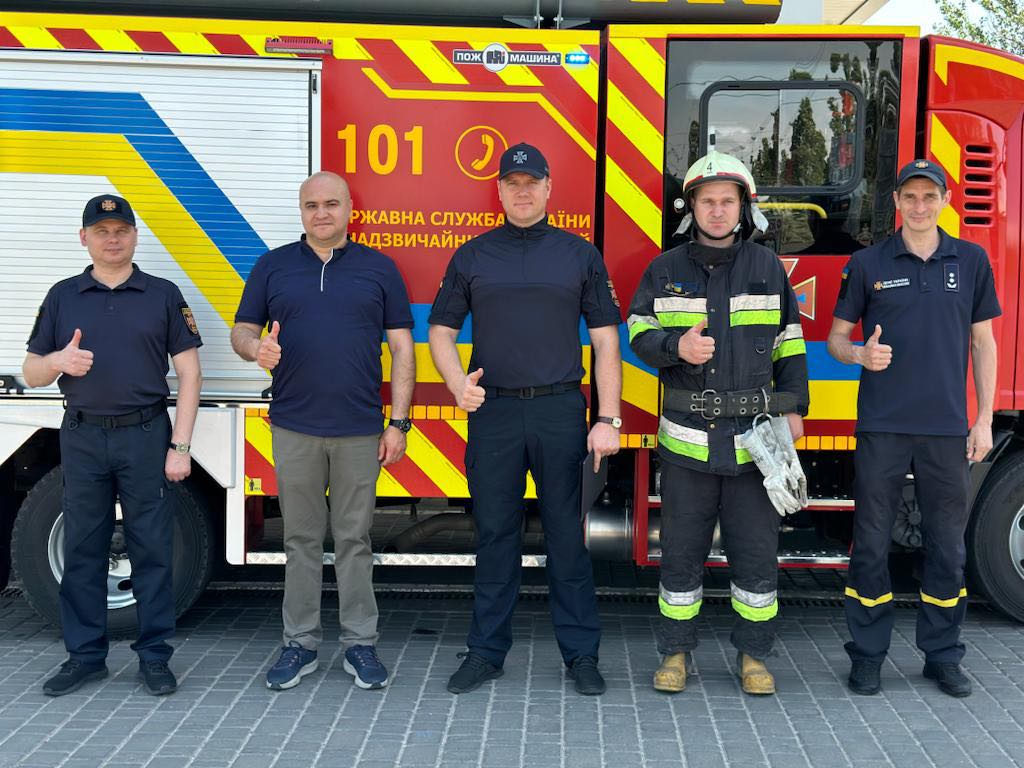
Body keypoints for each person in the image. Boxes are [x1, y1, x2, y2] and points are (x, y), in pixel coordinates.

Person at [428, 142, 622, 696]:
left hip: (561, 410)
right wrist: (456, 383)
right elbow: (440, 331)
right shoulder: (472, 256)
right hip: (493, 412)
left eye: (531, 183)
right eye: (512, 184)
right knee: (495, 535)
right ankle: (485, 653)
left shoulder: (579, 255)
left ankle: (581, 655)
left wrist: (607, 417)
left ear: (548, 188)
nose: (522, 192)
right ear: (499, 191)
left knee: (566, 537)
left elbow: (606, 342)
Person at [627, 151, 809, 696]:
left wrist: (794, 407)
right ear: (692, 207)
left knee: (755, 555)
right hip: (687, 445)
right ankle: (675, 653)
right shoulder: (665, 269)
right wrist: (674, 347)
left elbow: (790, 344)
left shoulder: (768, 268)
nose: (717, 210)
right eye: (707, 201)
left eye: (727, 201)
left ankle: (754, 656)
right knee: (681, 555)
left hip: (755, 444)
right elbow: (637, 331)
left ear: (743, 208)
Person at [232, 172, 415, 691]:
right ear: (301, 211)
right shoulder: (273, 266)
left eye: (331, 204)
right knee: (301, 540)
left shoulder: (379, 268)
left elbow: (402, 348)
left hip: (360, 429)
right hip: (295, 427)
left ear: (350, 209)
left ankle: (360, 645)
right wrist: (255, 349)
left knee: (354, 540)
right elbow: (242, 330)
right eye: (311, 205)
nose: (321, 213)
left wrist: (398, 423)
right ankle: (300, 644)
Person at [828, 159, 1000, 698]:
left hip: (946, 430)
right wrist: (860, 354)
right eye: (910, 196)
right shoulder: (867, 263)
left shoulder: (971, 261)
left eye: (929, 196)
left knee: (947, 547)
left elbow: (983, 343)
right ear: (896, 202)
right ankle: (867, 656)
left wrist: (983, 420)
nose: (920, 206)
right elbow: (836, 339)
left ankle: (943, 656)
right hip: (882, 427)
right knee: (871, 544)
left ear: (945, 201)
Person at [24, 194, 202, 697]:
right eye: (101, 231)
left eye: (121, 230)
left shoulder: (163, 294)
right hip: (82, 436)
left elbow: (190, 374)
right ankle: (85, 658)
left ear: (135, 236)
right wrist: (58, 361)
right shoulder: (63, 296)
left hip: (146, 434)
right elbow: (32, 371)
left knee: (152, 549)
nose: (112, 238)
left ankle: (154, 656)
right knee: (83, 548)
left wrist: (180, 446)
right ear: (84, 238)